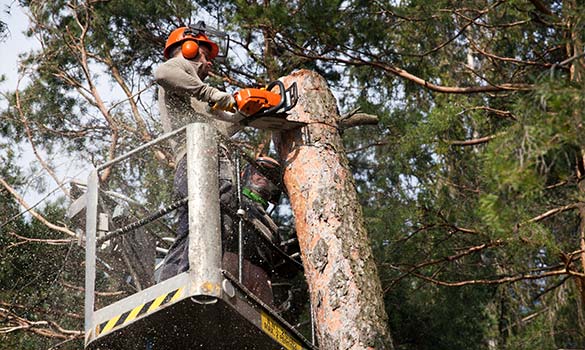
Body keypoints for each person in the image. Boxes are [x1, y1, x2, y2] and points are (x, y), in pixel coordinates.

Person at [155, 23, 243, 281]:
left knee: (193, 230)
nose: (210, 64)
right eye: (206, 56)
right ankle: (189, 280)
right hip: (198, 160)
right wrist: (211, 93)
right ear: (189, 49)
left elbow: (223, 126)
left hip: (202, 160)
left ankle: (171, 285)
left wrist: (247, 114)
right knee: (208, 223)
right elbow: (162, 72)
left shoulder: (195, 98)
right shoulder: (176, 71)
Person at [222, 156, 283, 305]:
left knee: (260, 318)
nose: (264, 177)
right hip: (231, 259)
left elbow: (281, 265)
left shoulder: (272, 225)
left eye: (270, 176)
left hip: (261, 275)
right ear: (246, 174)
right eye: (259, 172)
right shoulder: (233, 196)